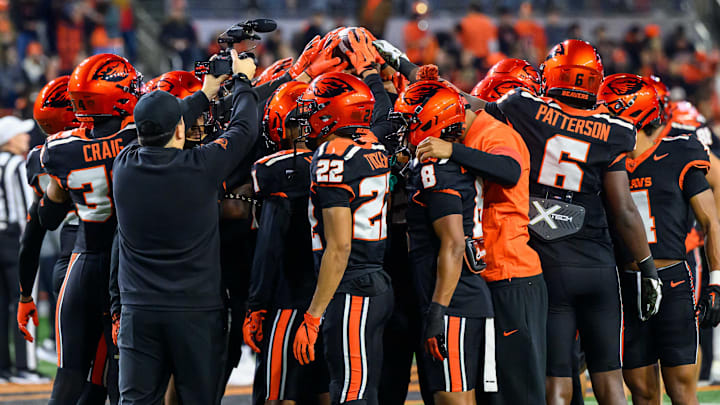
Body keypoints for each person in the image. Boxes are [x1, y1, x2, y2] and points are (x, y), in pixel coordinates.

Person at [482, 40, 661, 405]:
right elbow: (624, 210)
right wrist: (647, 267)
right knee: (609, 380)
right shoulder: (616, 131)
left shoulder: (523, 107)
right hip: (597, 263)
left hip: (549, 263)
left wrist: (411, 72)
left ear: (553, 72)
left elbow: (472, 109)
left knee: (558, 380)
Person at [112, 49, 256, 404]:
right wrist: (242, 80)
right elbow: (245, 128)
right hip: (196, 312)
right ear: (180, 128)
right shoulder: (202, 166)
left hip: (139, 311)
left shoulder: (124, 166)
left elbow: (157, 129)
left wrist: (203, 94)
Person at [411, 63, 547, 405]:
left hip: (511, 274)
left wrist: (452, 151)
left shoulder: (491, 133)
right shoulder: (469, 130)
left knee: (520, 393)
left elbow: (510, 170)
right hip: (485, 273)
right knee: (491, 394)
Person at [599, 73, 719, 405]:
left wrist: (716, 281)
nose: (600, 116)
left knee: (682, 390)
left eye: (608, 109)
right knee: (641, 391)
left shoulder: (680, 149)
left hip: (672, 279)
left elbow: (711, 220)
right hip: (626, 283)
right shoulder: (604, 158)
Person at [39, 53, 142, 404]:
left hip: (81, 264)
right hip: (126, 268)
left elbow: (49, 216)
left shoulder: (60, 149)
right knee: (118, 373)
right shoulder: (137, 137)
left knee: (69, 375)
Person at [292, 70, 393, 405]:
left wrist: (314, 313)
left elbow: (339, 246)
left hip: (350, 288)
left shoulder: (333, 155)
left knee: (350, 394)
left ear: (332, 112)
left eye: (314, 109)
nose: (306, 117)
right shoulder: (371, 146)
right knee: (363, 390)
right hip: (374, 280)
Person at [396, 79, 496, 404]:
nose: (404, 128)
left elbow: (453, 244)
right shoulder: (441, 163)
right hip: (460, 295)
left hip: (455, 301)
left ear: (431, 121)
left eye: (410, 119)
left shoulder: (437, 170)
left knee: (452, 399)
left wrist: (438, 310)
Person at [243, 80, 331, 405]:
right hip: (333, 295)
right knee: (325, 390)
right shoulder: (347, 161)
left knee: (279, 396)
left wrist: (256, 304)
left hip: (289, 297)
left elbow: (269, 245)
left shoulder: (274, 169)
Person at [0, 116, 35, 382]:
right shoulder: (15, 165)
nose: (26, 137)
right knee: (25, 300)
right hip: (13, 241)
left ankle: (3, 367)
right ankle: (25, 367)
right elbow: (22, 210)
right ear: (9, 139)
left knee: (1, 305)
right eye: (21, 134)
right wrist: (30, 244)